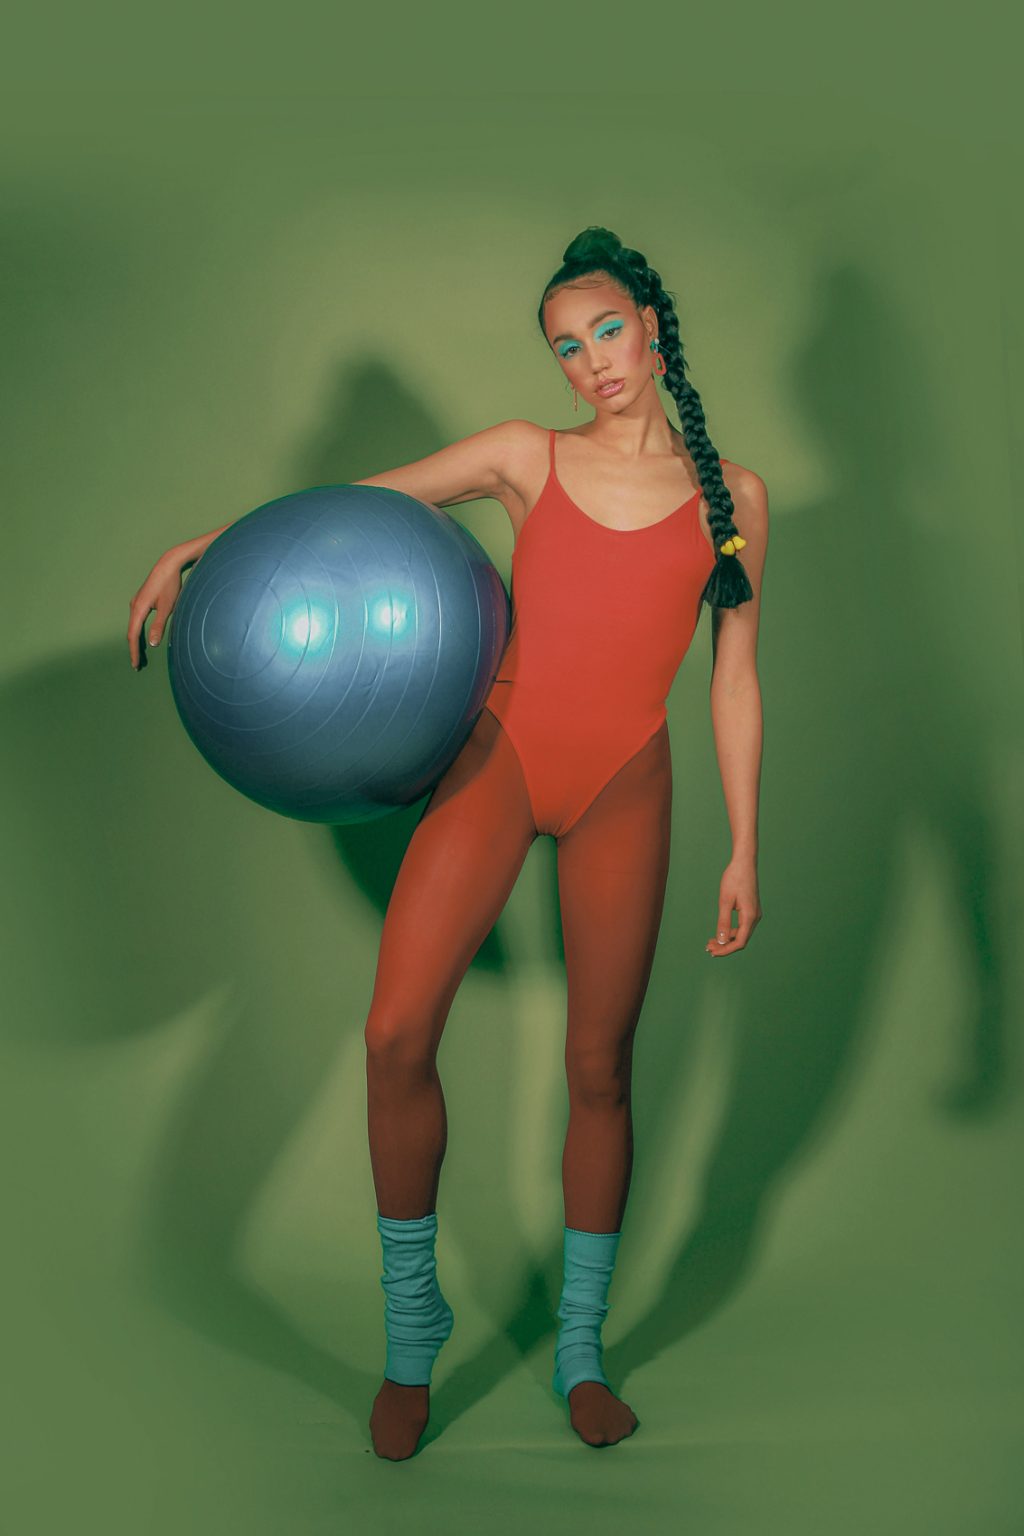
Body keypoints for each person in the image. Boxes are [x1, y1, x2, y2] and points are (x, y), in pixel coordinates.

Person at [127, 225, 767, 1461]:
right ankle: (412, 1333)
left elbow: (733, 677)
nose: (591, 362)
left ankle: (579, 1351)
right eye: (566, 347)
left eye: (607, 331)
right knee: (394, 1035)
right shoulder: (526, 455)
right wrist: (204, 546)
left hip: (624, 783)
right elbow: (347, 510)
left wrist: (744, 846)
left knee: (601, 1069)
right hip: (498, 760)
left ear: (651, 325)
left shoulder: (731, 499)